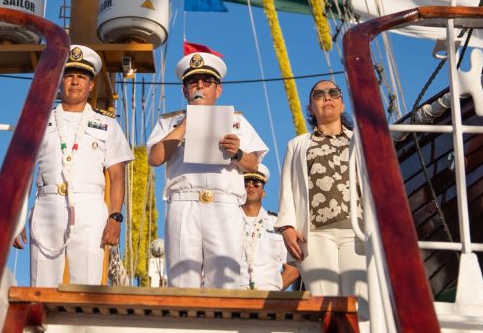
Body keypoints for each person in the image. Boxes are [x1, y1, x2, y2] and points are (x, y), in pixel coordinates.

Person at [14, 45, 133, 286]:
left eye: (82, 76)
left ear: (90, 85)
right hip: (48, 204)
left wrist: (115, 218)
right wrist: (15, 218)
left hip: (90, 207)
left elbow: (118, 176)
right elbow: (23, 172)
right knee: (42, 288)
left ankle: (83, 325)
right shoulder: (38, 120)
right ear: (60, 81)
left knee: (87, 287)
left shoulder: (107, 125)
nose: (75, 81)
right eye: (69, 75)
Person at [147, 51, 267, 288]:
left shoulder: (237, 121)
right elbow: (155, 158)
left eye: (206, 82)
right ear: (184, 90)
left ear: (217, 90)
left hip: (223, 204)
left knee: (226, 279)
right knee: (182, 280)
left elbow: (254, 164)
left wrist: (238, 153)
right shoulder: (169, 122)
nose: (199, 87)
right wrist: (186, 124)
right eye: (193, 82)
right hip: (184, 203)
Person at [275, 80, 365, 296]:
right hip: (314, 234)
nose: (327, 97)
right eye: (319, 95)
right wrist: (287, 228)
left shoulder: (361, 142)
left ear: (342, 104)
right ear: (310, 108)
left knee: (361, 298)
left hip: (357, 229)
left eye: (333, 93)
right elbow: (287, 188)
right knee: (324, 299)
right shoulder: (297, 145)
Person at [240, 164, 299, 291]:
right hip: (233, 293)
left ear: (264, 193)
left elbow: (293, 269)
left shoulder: (279, 224)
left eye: (256, 182)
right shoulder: (226, 222)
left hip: (268, 296)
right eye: (246, 182)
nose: (250, 185)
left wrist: (273, 290)